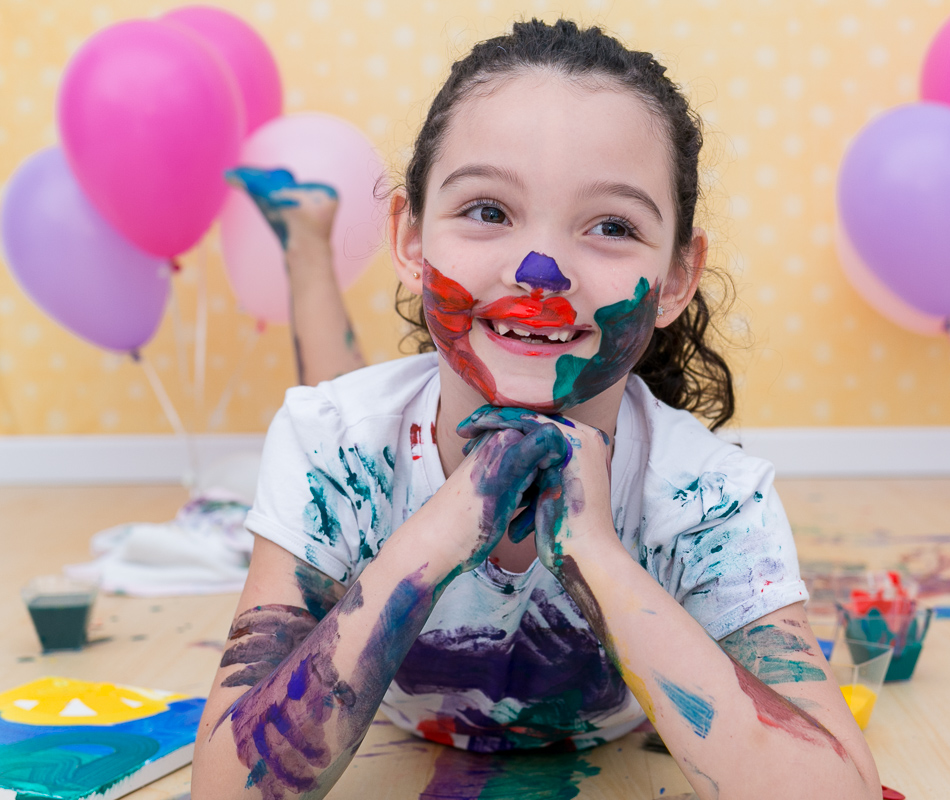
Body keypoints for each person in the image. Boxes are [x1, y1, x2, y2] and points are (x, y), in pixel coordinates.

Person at [193, 19, 881, 800]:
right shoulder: (328, 446)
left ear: (677, 278)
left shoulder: (711, 499)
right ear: (411, 239)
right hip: (390, 665)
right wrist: (438, 535)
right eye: (489, 210)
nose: (540, 271)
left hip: (615, 728)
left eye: (612, 226)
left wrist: (597, 555)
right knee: (351, 411)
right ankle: (306, 247)